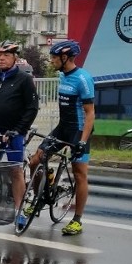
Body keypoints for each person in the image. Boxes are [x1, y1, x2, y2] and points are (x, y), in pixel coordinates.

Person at [23, 39, 94, 235]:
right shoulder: (62, 76)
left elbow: (90, 113)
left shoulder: (83, 78)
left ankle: (77, 220)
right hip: (62, 128)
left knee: (79, 173)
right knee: (35, 161)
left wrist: (82, 141)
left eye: (54, 57)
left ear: (65, 58)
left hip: (79, 130)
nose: (51, 61)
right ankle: (39, 199)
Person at [0, 40, 39, 213]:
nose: (1, 58)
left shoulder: (24, 79)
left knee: (15, 170)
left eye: (6, 55)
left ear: (14, 57)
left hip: (14, 133)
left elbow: (32, 109)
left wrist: (18, 130)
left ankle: (19, 211)